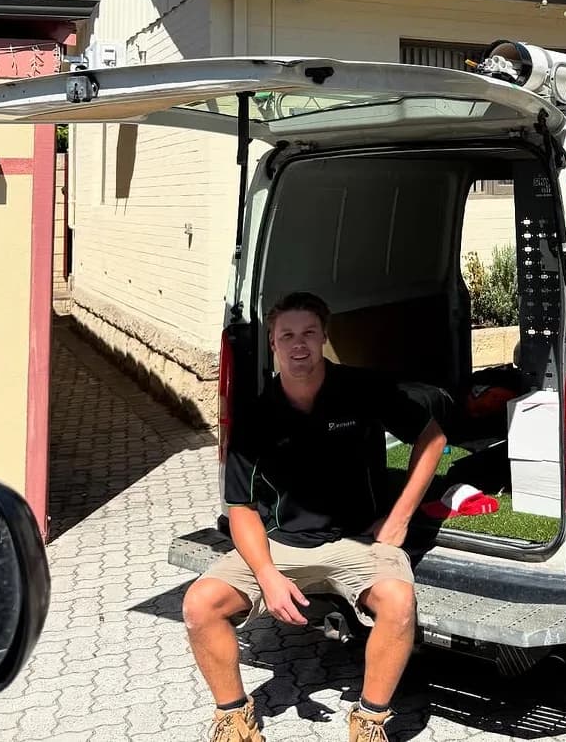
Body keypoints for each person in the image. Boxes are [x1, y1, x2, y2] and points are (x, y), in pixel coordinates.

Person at [182, 291, 448, 742]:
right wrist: (266, 574)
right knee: (199, 605)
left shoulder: (361, 390)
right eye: (287, 335)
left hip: (357, 543)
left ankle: (368, 722)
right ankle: (234, 719)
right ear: (273, 342)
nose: (298, 344)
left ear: (324, 336)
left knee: (399, 605)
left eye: (308, 332)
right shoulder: (256, 414)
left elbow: (433, 438)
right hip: (281, 544)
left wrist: (399, 518)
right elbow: (242, 507)